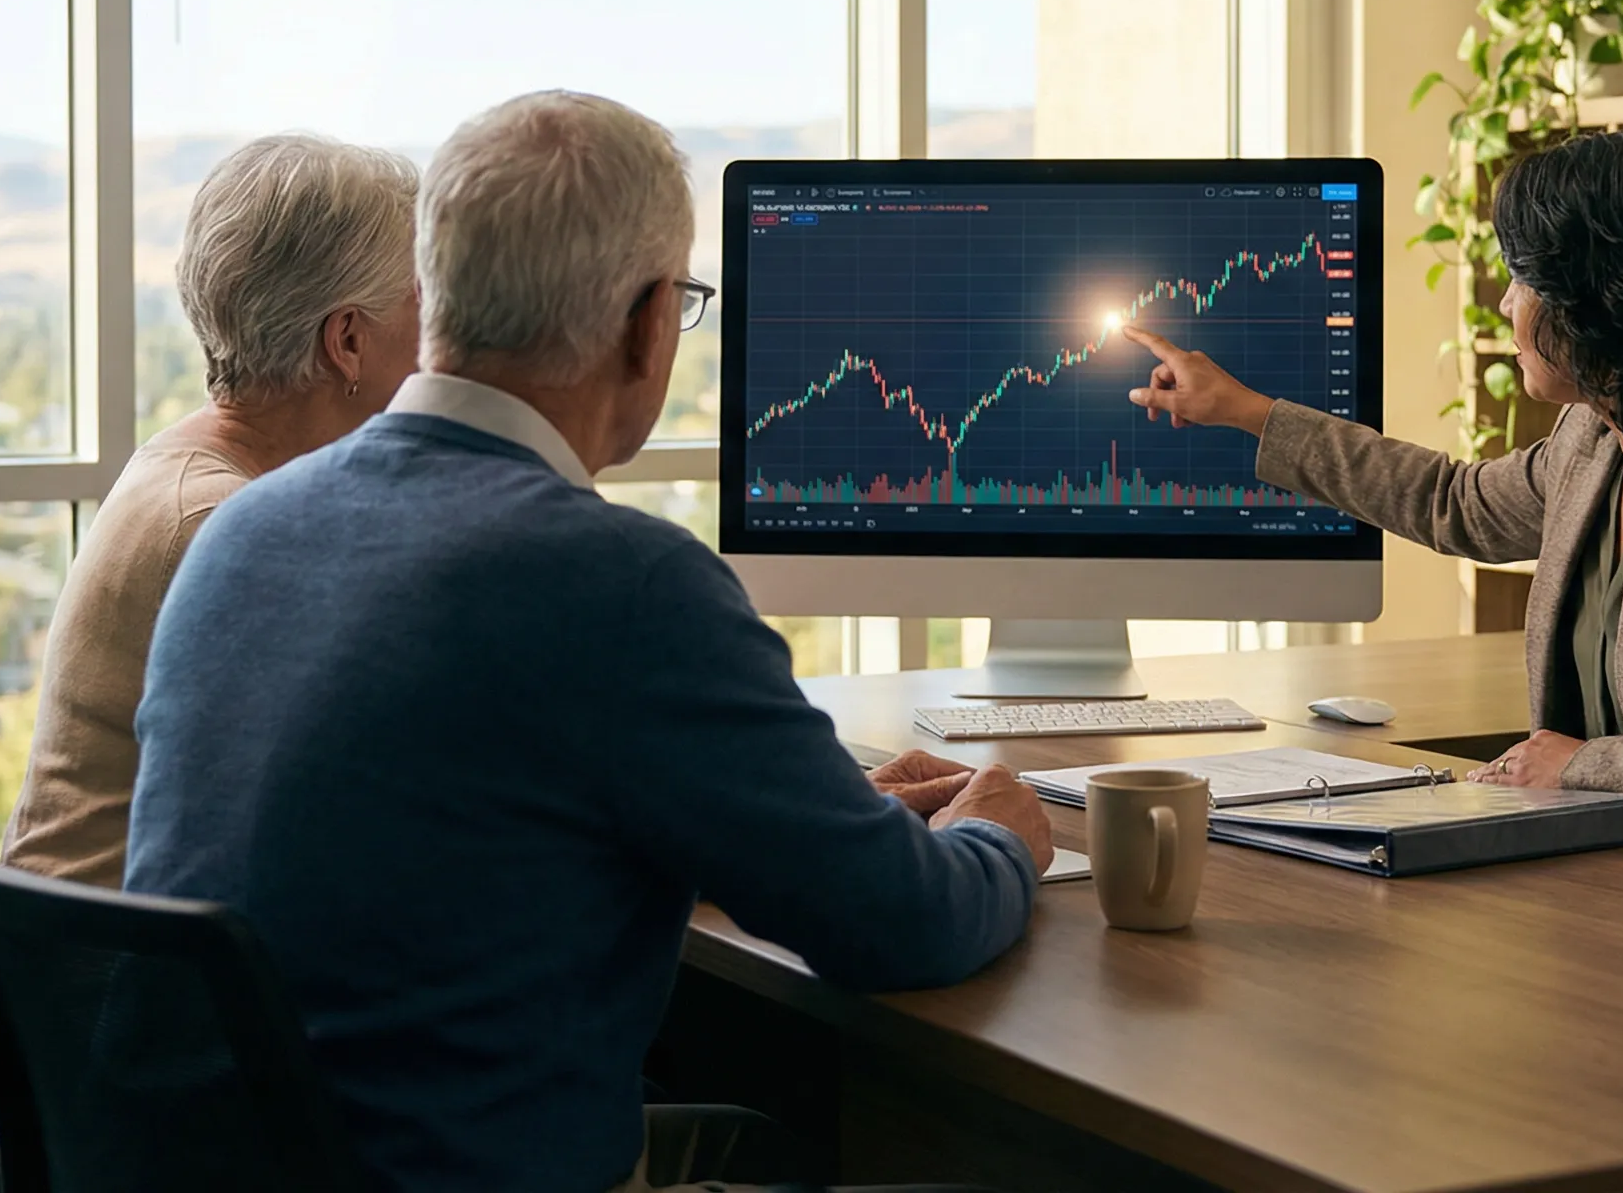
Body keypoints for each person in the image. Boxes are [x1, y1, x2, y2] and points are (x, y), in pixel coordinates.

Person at [125, 90, 1050, 1193]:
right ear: (652, 321)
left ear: (435, 299)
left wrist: (817, 824)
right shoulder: (623, 581)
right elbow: (902, 929)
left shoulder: (241, 530)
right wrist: (1000, 835)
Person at [1127, 127, 1623, 841]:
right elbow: (1455, 504)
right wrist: (1245, 412)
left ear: (1602, 301)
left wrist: (1585, 765)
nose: (1506, 304)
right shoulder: (1598, 438)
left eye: (1524, 279)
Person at [3, 133, 422, 886]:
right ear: (349, 340)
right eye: (428, 306)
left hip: (102, 951)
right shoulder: (221, 527)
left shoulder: (193, 468)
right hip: (133, 978)